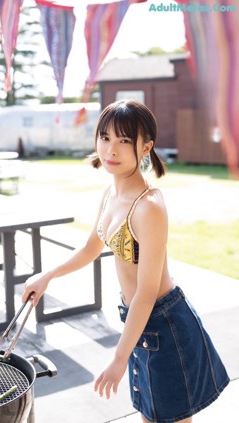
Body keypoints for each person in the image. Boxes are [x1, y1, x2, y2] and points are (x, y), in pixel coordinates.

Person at [22, 100, 230, 423]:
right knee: (149, 415)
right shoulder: (110, 194)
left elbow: (147, 292)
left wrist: (119, 358)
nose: (111, 149)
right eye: (105, 137)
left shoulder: (149, 207)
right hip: (136, 322)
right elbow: (91, 248)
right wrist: (47, 276)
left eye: (123, 140)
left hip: (164, 325)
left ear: (146, 147)